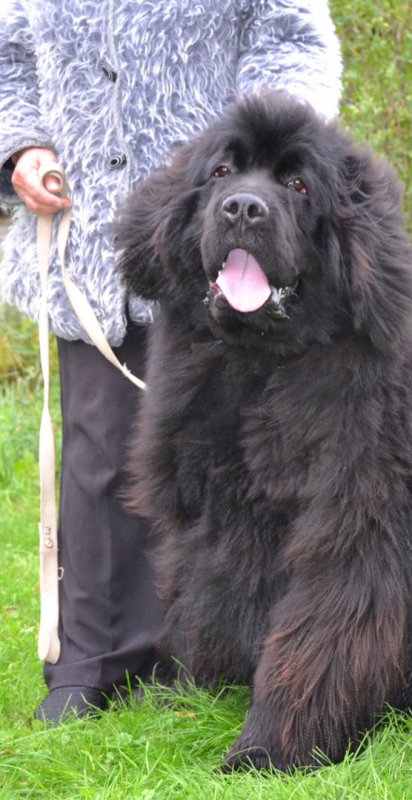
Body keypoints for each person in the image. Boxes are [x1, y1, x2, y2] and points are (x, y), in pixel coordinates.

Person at [0, 0, 342, 725]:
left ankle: (216, 657)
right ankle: (90, 665)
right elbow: (11, 58)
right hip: (88, 242)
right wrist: (21, 147)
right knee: (101, 453)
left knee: (237, 467)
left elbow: (293, 45)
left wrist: (247, 167)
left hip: (240, 241)